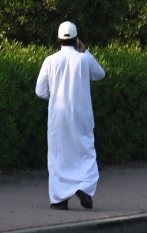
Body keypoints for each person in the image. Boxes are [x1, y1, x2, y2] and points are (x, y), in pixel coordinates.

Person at [35, 21, 106, 210]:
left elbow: (40, 91)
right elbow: (100, 74)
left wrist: (57, 93)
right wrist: (86, 51)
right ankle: (83, 187)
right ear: (76, 39)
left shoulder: (50, 60)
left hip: (58, 117)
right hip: (82, 116)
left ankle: (60, 200)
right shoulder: (84, 58)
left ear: (58, 39)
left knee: (59, 155)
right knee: (85, 152)